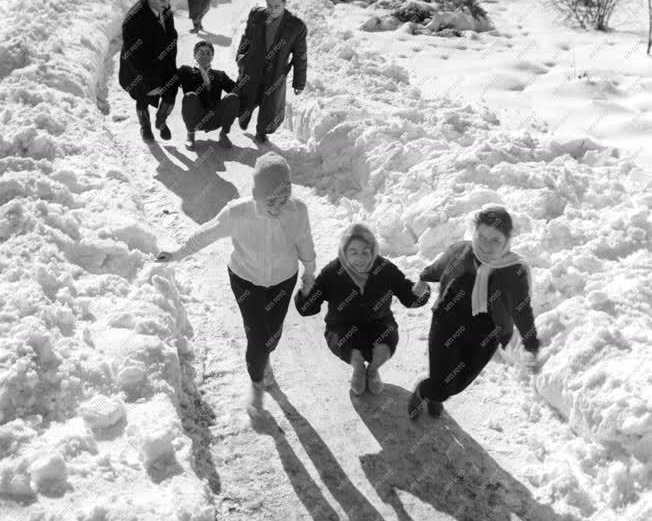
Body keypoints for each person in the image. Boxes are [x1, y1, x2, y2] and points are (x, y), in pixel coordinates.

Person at [156, 152, 316, 416]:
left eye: (283, 199)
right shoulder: (237, 213)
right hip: (245, 280)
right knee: (257, 336)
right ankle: (256, 388)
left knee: (272, 336)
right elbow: (205, 233)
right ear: (257, 195)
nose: (278, 207)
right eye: (271, 201)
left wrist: (309, 271)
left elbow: (305, 242)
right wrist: (177, 254)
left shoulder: (297, 211)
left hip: (283, 281)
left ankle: (264, 359)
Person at [408, 205, 541, 421]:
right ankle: (425, 392)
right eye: (481, 236)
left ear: (507, 241)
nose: (486, 245)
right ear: (474, 231)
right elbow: (438, 267)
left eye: (495, 240)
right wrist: (423, 279)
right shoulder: (459, 252)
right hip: (446, 325)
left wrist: (531, 344)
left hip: (485, 336)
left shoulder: (513, 271)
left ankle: (438, 393)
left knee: (458, 384)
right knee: (441, 385)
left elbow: (522, 310)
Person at [295, 224, 430, 396]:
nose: (360, 258)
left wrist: (419, 293)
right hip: (342, 327)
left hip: (379, 323)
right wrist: (306, 292)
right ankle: (358, 368)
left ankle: (373, 371)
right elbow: (307, 309)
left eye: (366, 252)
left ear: (373, 250)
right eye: (353, 252)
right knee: (352, 350)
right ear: (344, 251)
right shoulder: (332, 272)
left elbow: (408, 297)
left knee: (384, 344)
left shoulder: (385, 268)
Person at [235, 0, 307, 144]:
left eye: (277, 6)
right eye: (269, 6)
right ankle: (244, 117)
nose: (273, 10)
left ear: (285, 2)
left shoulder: (296, 26)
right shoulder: (257, 15)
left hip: (275, 73)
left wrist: (299, 82)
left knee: (269, 106)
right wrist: (240, 56)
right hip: (253, 66)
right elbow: (246, 37)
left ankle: (261, 132)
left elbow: (300, 56)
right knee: (248, 97)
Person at [118, 0, 178, 142]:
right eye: (162, 1)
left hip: (163, 59)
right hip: (139, 68)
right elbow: (135, 57)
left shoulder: (164, 7)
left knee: (171, 90)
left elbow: (169, 34)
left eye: (168, 0)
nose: (167, 4)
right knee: (143, 97)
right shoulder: (133, 19)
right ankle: (145, 127)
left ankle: (161, 120)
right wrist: (152, 82)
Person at [176, 40, 240, 151]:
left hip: (215, 118)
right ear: (194, 55)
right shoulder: (185, 72)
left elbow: (237, 90)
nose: (205, 56)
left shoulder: (220, 75)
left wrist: (244, 73)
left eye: (208, 53)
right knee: (190, 96)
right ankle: (190, 134)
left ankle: (223, 134)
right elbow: (167, 80)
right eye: (201, 53)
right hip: (196, 118)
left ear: (212, 56)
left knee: (232, 97)